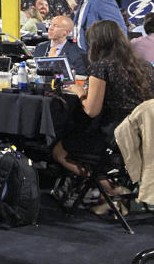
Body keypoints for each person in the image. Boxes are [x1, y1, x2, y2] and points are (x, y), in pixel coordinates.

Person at [52, 20, 154, 209]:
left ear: (96, 43)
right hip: (141, 140)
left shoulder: (102, 67)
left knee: (58, 149)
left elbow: (91, 110)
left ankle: (106, 188)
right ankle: (110, 187)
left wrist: (80, 92)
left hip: (112, 141)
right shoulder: (146, 67)